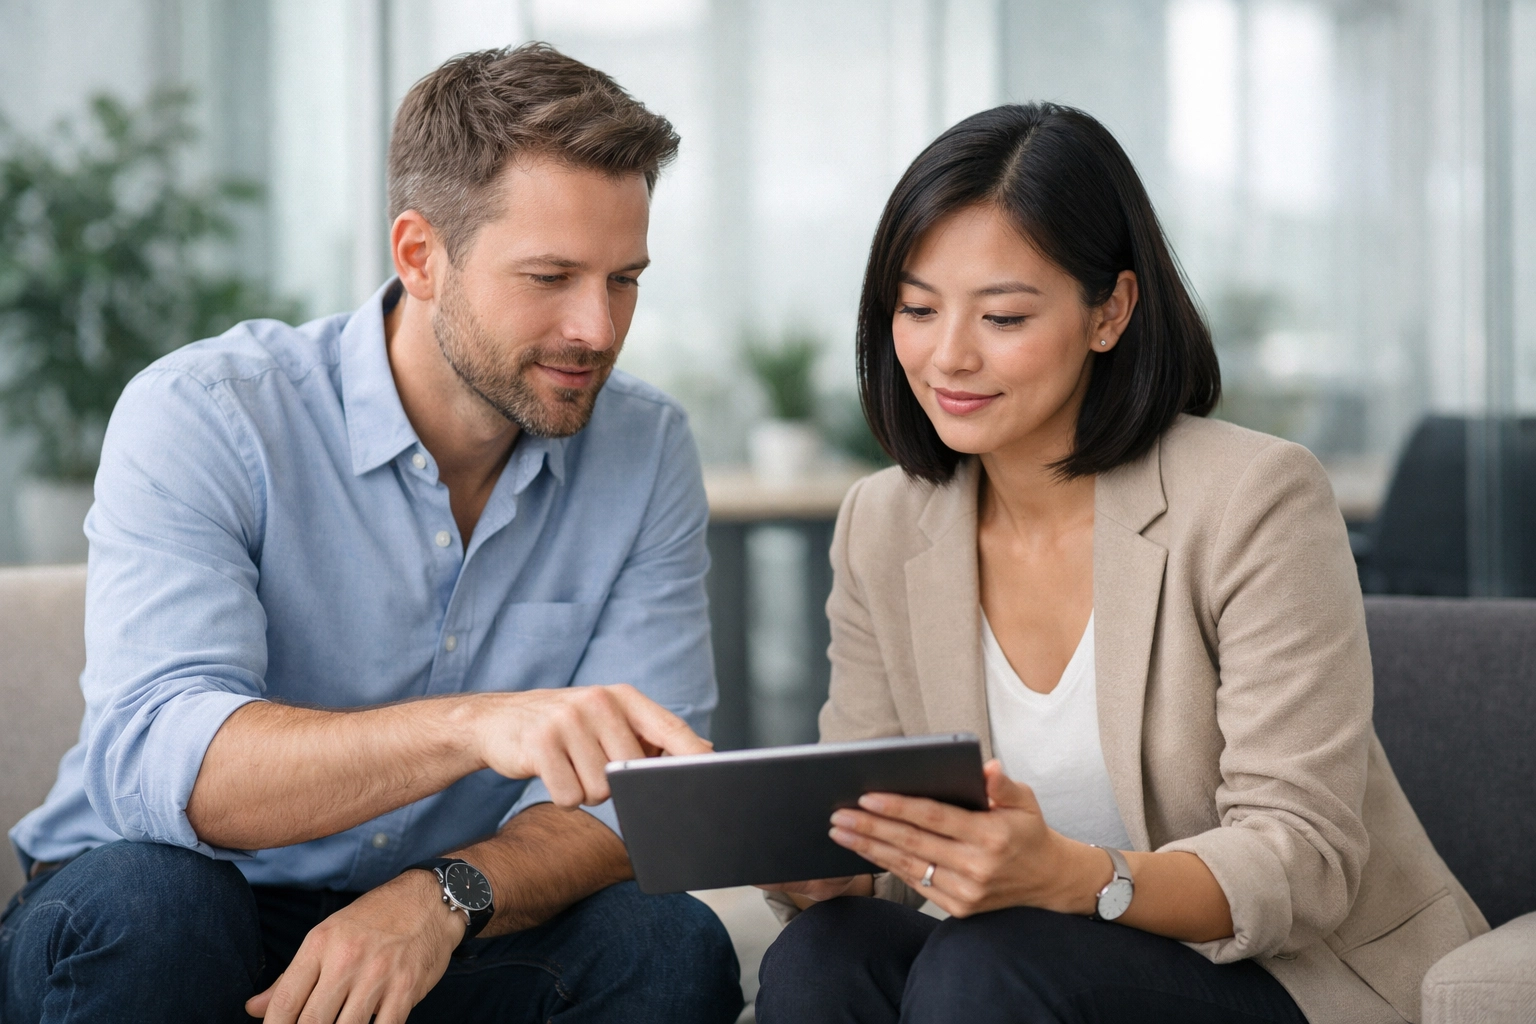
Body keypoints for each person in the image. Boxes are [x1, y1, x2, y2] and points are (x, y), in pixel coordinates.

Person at [2, 44, 743, 1024]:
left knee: (667, 945)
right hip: (172, 902)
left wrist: (450, 893)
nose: (598, 329)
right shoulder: (207, 412)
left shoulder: (645, 449)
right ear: (418, 254)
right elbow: (165, 762)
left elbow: (632, 803)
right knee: (154, 907)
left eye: (624, 280)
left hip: (441, 921)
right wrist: (478, 722)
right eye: (551, 275)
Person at [755, 103, 1486, 1024]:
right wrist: (834, 868)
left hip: (1276, 974)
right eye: (916, 308)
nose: (948, 355)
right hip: (1010, 965)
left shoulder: (1256, 496)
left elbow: (1301, 859)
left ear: (1111, 311)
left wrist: (1076, 877)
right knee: (828, 953)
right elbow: (887, 841)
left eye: (1004, 315)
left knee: (988, 960)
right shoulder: (882, 521)